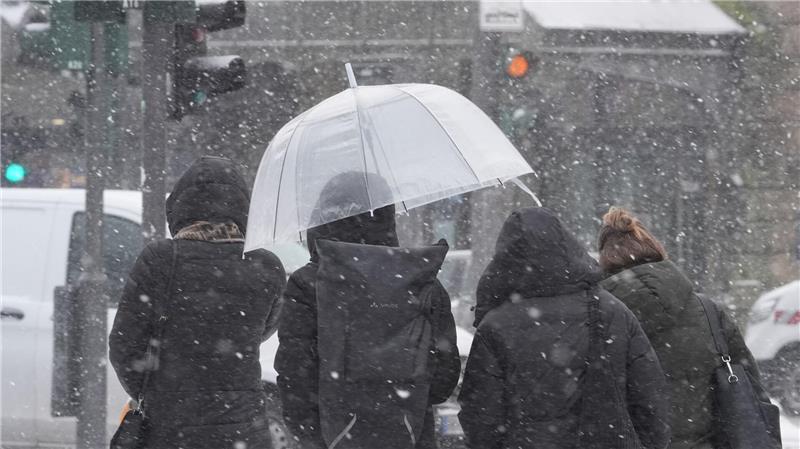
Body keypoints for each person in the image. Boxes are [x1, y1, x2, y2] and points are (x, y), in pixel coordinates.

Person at [109, 156, 286, 449]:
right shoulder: (266, 265)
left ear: (179, 207)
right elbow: (265, 328)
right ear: (244, 209)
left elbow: (124, 345)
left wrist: (151, 392)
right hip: (244, 430)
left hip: (170, 430)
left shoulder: (160, 259)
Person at [275, 172, 461, 449]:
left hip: (330, 438)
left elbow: (295, 378)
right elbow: (443, 380)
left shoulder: (307, 284)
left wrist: (311, 433)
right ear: (388, 216)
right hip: (411, 436)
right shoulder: (422, 283)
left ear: (321, 220)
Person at [459, 207, 670, 449]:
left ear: (504, 258)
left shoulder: (495, 326)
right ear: (566, 244)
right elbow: (650, 399)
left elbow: (480, 417)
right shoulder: (612, 311)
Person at [598, 207, 770, 449]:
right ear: (656, 250)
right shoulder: (709, 312)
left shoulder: (600, 319)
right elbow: (752, 389)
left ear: (605, 261)